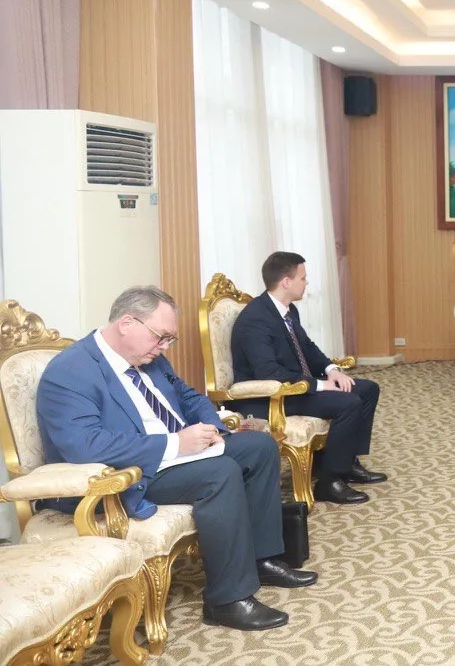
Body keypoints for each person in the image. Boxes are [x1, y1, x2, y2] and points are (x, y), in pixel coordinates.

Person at [36, 286, 317, 631]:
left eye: (170, 339)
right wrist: (175, 444)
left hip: (175, 452)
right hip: (126, 473)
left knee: (259, 447)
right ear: (127, 323)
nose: (164, 346)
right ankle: (228, 600)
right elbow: (84, 446)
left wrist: (214, 429)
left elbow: (189, 396)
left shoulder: (149, 356)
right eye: (161, 337)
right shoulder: (71, 371)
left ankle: (262, 559)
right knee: (220, 472)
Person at [231, 251, 385, 506]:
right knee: (348, 403)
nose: (307, 283)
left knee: (367, 389)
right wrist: (321, 385)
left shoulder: (287, 310)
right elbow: (268, 373)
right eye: (303, 278)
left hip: (296, 386)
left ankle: (347, 463)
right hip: (269, 397)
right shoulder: (255, 319)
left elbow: (307, 347)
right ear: (286, 281)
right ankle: (330, 482)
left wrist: (331, 370)